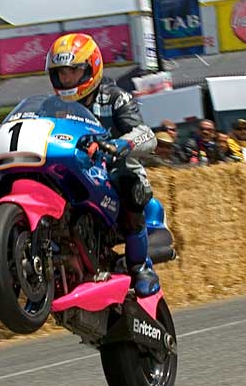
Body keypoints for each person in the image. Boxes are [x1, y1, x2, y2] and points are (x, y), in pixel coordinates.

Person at [46, 32, 167, 296]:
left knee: (130, 186)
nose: (66, 79)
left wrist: (122, 145)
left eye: (73, 71)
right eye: (61, 73)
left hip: (113, 169)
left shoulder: (115, 97)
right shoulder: (52, 106)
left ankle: (140, 267)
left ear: (91, 68)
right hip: (72, 169)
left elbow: (147, 134)